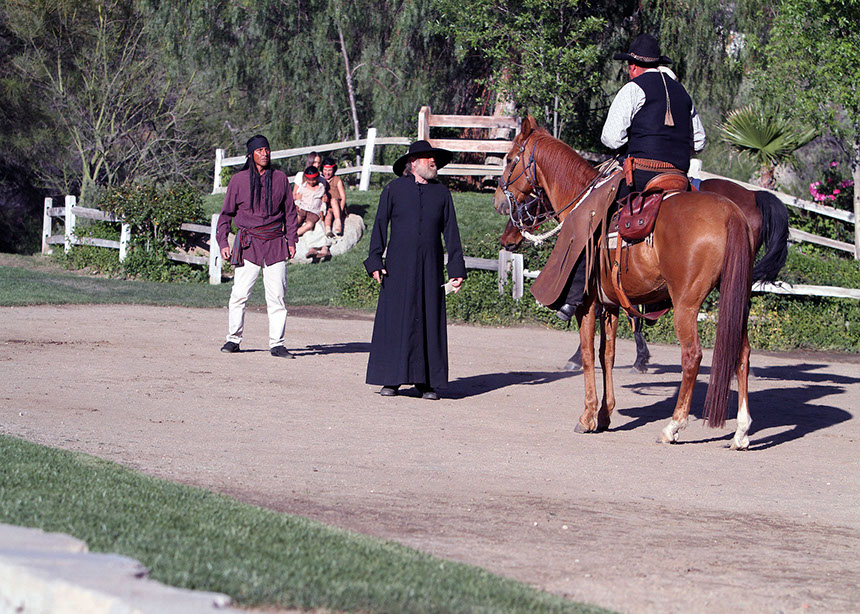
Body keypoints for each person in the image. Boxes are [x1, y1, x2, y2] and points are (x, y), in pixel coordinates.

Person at [554, 33, 706, 322]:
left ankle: (573, 297)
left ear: (634, 66)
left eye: (630, 66)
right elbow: (699, 141)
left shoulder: (633, 89)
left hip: (642, 175)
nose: (629, 70)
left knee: (589, 215)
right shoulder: (683, 93)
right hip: (677, 178)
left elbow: (610, 138)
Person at [364, 140, 466, 400]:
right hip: (398, 266)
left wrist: (456, 268)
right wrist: (375, 260)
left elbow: (452, 233)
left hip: (430, 266)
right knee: (396, 320)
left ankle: (426, 382)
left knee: (428, 319)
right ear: (413, 163)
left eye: (434, 158)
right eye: (427, 158)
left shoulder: (441, 194)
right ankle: (391, 378)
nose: (433, 162)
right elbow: (379, 225)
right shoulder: (394, 190)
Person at [217, 134, 300, 358]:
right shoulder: (239, 180)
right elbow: (226, 214)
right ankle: (233, 339)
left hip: (275, 244)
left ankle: (277, 343)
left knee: (277, 297)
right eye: (259, 150)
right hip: (249, 244)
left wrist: (291, 240)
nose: (264, 154)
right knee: (239, 295)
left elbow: (290, 214)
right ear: (251, 154)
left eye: (267, 150)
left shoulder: (281, 178)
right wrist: (223, 242)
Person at [321, 157, 347, 236]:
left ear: (334, 170)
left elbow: (343, 196)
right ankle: (328, 229)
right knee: (328, 213)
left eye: (330, 170)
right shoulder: (321, 179)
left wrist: (341, 209)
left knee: (333, 200)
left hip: (337, 204)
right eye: (325, 170)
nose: (327, 173)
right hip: (328, 206)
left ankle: (338, 223)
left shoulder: (337, 180)